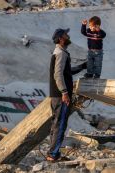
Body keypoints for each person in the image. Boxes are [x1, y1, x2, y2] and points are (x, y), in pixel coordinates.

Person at [47, 28, 86, 162]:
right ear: (60, 39)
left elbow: (67, 72)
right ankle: (53, 154)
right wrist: (64, 92)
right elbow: (58, 75)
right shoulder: (61, 54)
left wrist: (82, 66)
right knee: (60, 124)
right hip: (60, 96)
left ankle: (53, 153)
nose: (68, 36)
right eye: (65, 34)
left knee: (56, 124)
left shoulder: (60, 52)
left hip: (56, 95)